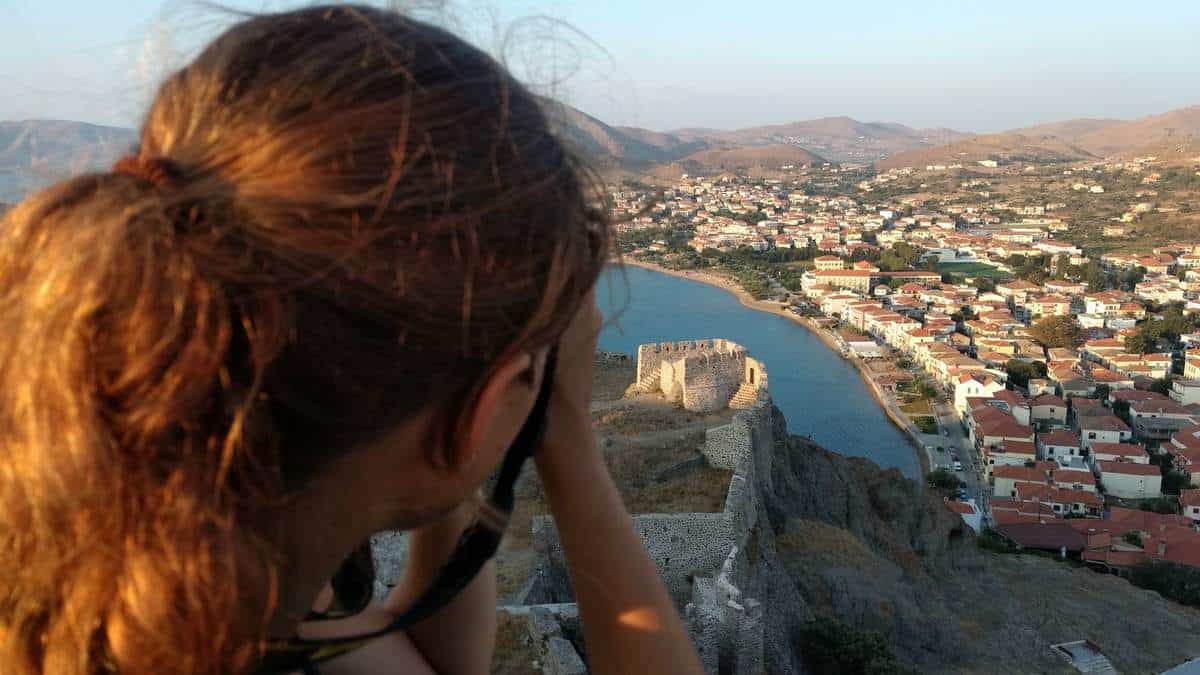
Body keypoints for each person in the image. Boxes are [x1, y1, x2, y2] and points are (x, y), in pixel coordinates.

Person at [0, 5, 705, 675]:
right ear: (476, 415)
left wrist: (453, 378)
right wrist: (567, 435)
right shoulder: (233, 587)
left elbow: (435, 666)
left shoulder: (181, 549)